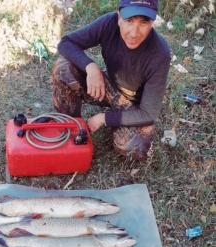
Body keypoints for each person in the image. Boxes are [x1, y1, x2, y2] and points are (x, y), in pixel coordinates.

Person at [52, 0, 171, 160]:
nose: (134, 32)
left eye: (144, 22)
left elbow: (148, 113)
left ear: (152, 22)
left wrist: (104, 119)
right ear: (119, 17)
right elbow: (66, 43)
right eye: (129, 21)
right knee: (63, 68)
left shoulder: (160, 54)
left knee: (136, 148)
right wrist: (90, 66)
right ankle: (71, 128)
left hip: (132, 106)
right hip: (107, 86)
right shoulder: (108, 23)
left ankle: (117, 123)